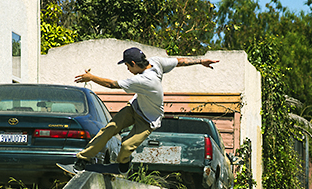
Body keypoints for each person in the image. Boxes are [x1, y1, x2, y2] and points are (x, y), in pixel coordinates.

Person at [72, 47, 219, 174]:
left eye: (127, 66)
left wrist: (90, 77)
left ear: (134, 64)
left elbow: (112, 85)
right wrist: (201, 61)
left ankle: (123, 165)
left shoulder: (144, 80)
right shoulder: (156, 62)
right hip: (134, 107)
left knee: (126, 146)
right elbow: (179, 61)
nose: (128, 69)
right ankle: (82, 159)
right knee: (109, 129)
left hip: (149, 119)